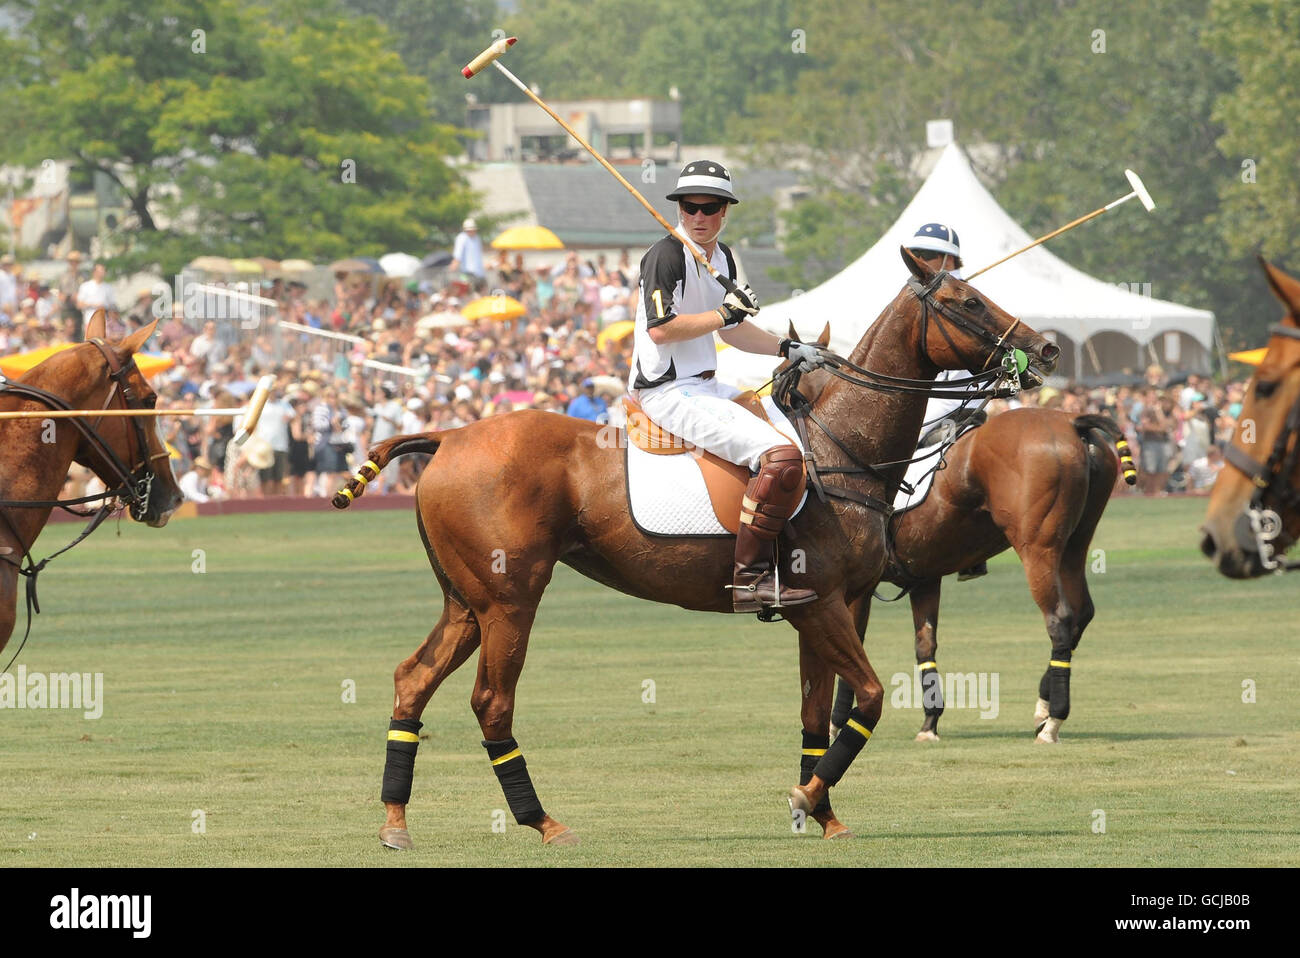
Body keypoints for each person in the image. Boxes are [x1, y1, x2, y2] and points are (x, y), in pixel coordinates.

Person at [628, 159, 828, 613]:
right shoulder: (666, 255)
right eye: (689, 207)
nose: (698, 216)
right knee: (778, 456)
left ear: (725, 211)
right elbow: (662, 329)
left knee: (801, 439)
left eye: (709, 207)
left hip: (708, 384)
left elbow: (732, 333)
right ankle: (749, 580)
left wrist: (786, 348)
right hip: (667, 391)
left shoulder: (725, 259)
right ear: (679, 209)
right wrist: (725, 313)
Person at [904, 223, 989, 580]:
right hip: (937, 394)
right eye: (917, 255)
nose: (920, 261)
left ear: (950, 260)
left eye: (928, 256)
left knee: (898, 449)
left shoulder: (964, 296)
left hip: (954, 395)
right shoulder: (917, 295)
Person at [451, 217, 485, 291]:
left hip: (478, 272)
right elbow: (458, 254)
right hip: (466, 272)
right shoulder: (461, 238)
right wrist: (454, 264)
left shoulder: (477, 238)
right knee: (468, 290)